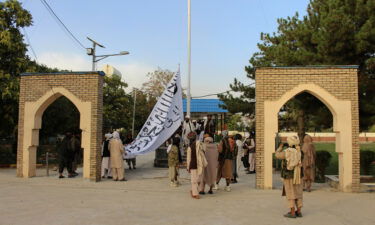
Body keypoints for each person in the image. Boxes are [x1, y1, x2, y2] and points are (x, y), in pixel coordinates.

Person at [275, 135, 303, 218]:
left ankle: (292, 212)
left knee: (290, 193)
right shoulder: (299, 151)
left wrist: (280, 147)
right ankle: (299, 211)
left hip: (289, 175)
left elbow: (277, 155)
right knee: (298, 193)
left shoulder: (287, 152)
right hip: (298, 175)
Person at [186, 132, 207, 199]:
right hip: (193, 165)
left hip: (199, 164)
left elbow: (204, 151)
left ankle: (193, 190)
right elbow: (189, 158)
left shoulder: (199, 145)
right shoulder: (191, 147)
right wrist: (188, 167)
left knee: (198, 180)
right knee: (194, 180)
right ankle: (195, 194)